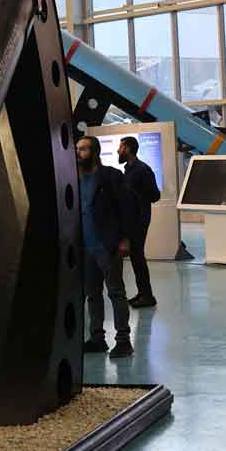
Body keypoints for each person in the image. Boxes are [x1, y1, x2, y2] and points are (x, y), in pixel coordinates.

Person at [76, 135, 135, 359]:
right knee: (92, 294)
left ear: (94, 152)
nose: (78, 153)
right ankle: (97, 338)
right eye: (77, 149)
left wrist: (125, 239)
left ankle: (123, 341)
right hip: (86, 247)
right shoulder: (75, 179)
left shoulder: (111, 176)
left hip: (107, 246)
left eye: (83, 149)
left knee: (116, 292)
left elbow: (126, 209)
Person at [117, 136, 161, 309]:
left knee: (137, 256)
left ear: (128, 149)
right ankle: (143, 293)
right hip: (132, 219)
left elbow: (155, 196)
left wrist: (137, 195)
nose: (118, 151)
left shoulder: (142, 170)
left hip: (139, 219)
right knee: (136, 257)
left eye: (121, 147)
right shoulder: (129, 169)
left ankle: (147, 295)